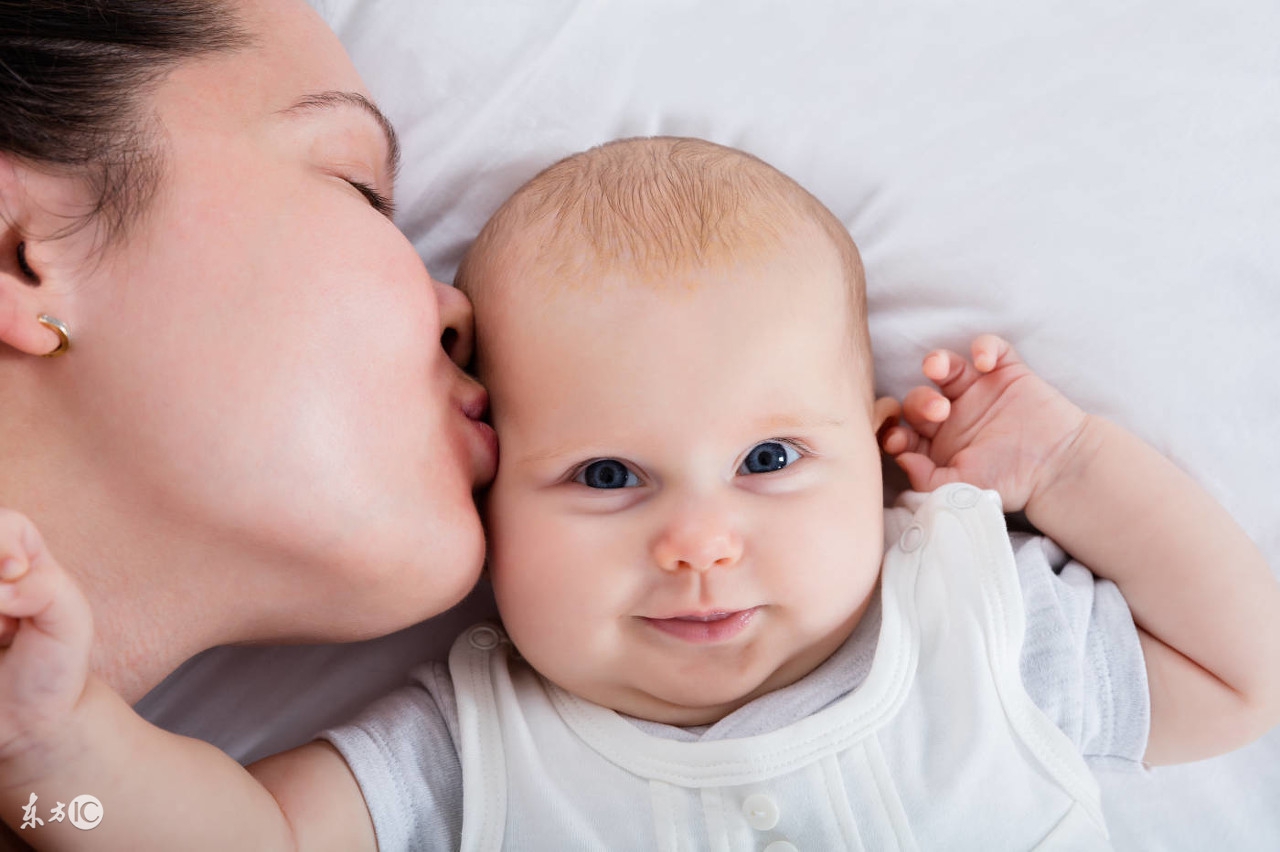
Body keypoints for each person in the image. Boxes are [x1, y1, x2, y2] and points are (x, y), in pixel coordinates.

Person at [1, 137, 1277, 849]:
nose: (699, 545)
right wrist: (57, 754)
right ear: (491, 494)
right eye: (606, 477)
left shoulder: (978, 642)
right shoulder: (470, 753)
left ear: (882, 451)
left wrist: (1066, 470)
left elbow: (1241, 679)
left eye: (770, 462)